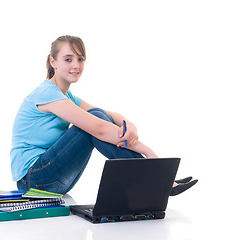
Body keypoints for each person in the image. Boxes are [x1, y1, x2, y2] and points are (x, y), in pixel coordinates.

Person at [11, 35, 197, 196]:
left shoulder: (65, 96)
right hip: (32, 181)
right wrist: (148, 152)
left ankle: (154, 177)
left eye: (80, 59)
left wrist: (129, 124)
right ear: (53, 62)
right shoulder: (47, 94)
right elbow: (99, 128)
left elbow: (107, 114)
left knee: (97, 114)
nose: (76, 65)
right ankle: (155, 176)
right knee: (93, 123)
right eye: (68, 59)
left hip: (51, 180)